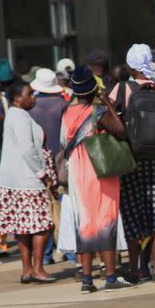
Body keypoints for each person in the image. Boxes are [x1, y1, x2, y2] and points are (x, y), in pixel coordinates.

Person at [61, 66, 131, 293]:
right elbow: (121, 130)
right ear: (93, 89)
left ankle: (87, 280)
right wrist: (109, 104)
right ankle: (110, 277)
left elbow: (64, 143)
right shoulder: (98, 111)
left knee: (85, 223)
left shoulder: (66, 113)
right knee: (106, 219)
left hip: (77, 173)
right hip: (99, 171)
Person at [110, 44, 155, 280]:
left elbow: (108, 119)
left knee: (132, 213)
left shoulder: (121, 88)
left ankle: (137, 268)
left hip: (131, 159)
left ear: (129, 65)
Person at [0, 82, 57, 284]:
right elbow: (28, 149)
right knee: (43, 225)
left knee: (23, 226)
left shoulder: (15, 115)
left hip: (13, 179)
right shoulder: (19, 117)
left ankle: (27, 269)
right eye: (29, 94)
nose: (33, 97)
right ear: (18, 98)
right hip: (27, 179)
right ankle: (37, 268)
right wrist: (41, 172)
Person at [29, 68, 69, 265]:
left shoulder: (30, 106)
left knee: (43, 210)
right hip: (61, 163)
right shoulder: (63, 104)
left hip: (37, 165)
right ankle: (68, 251)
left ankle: (44, 255)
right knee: (63, 207)